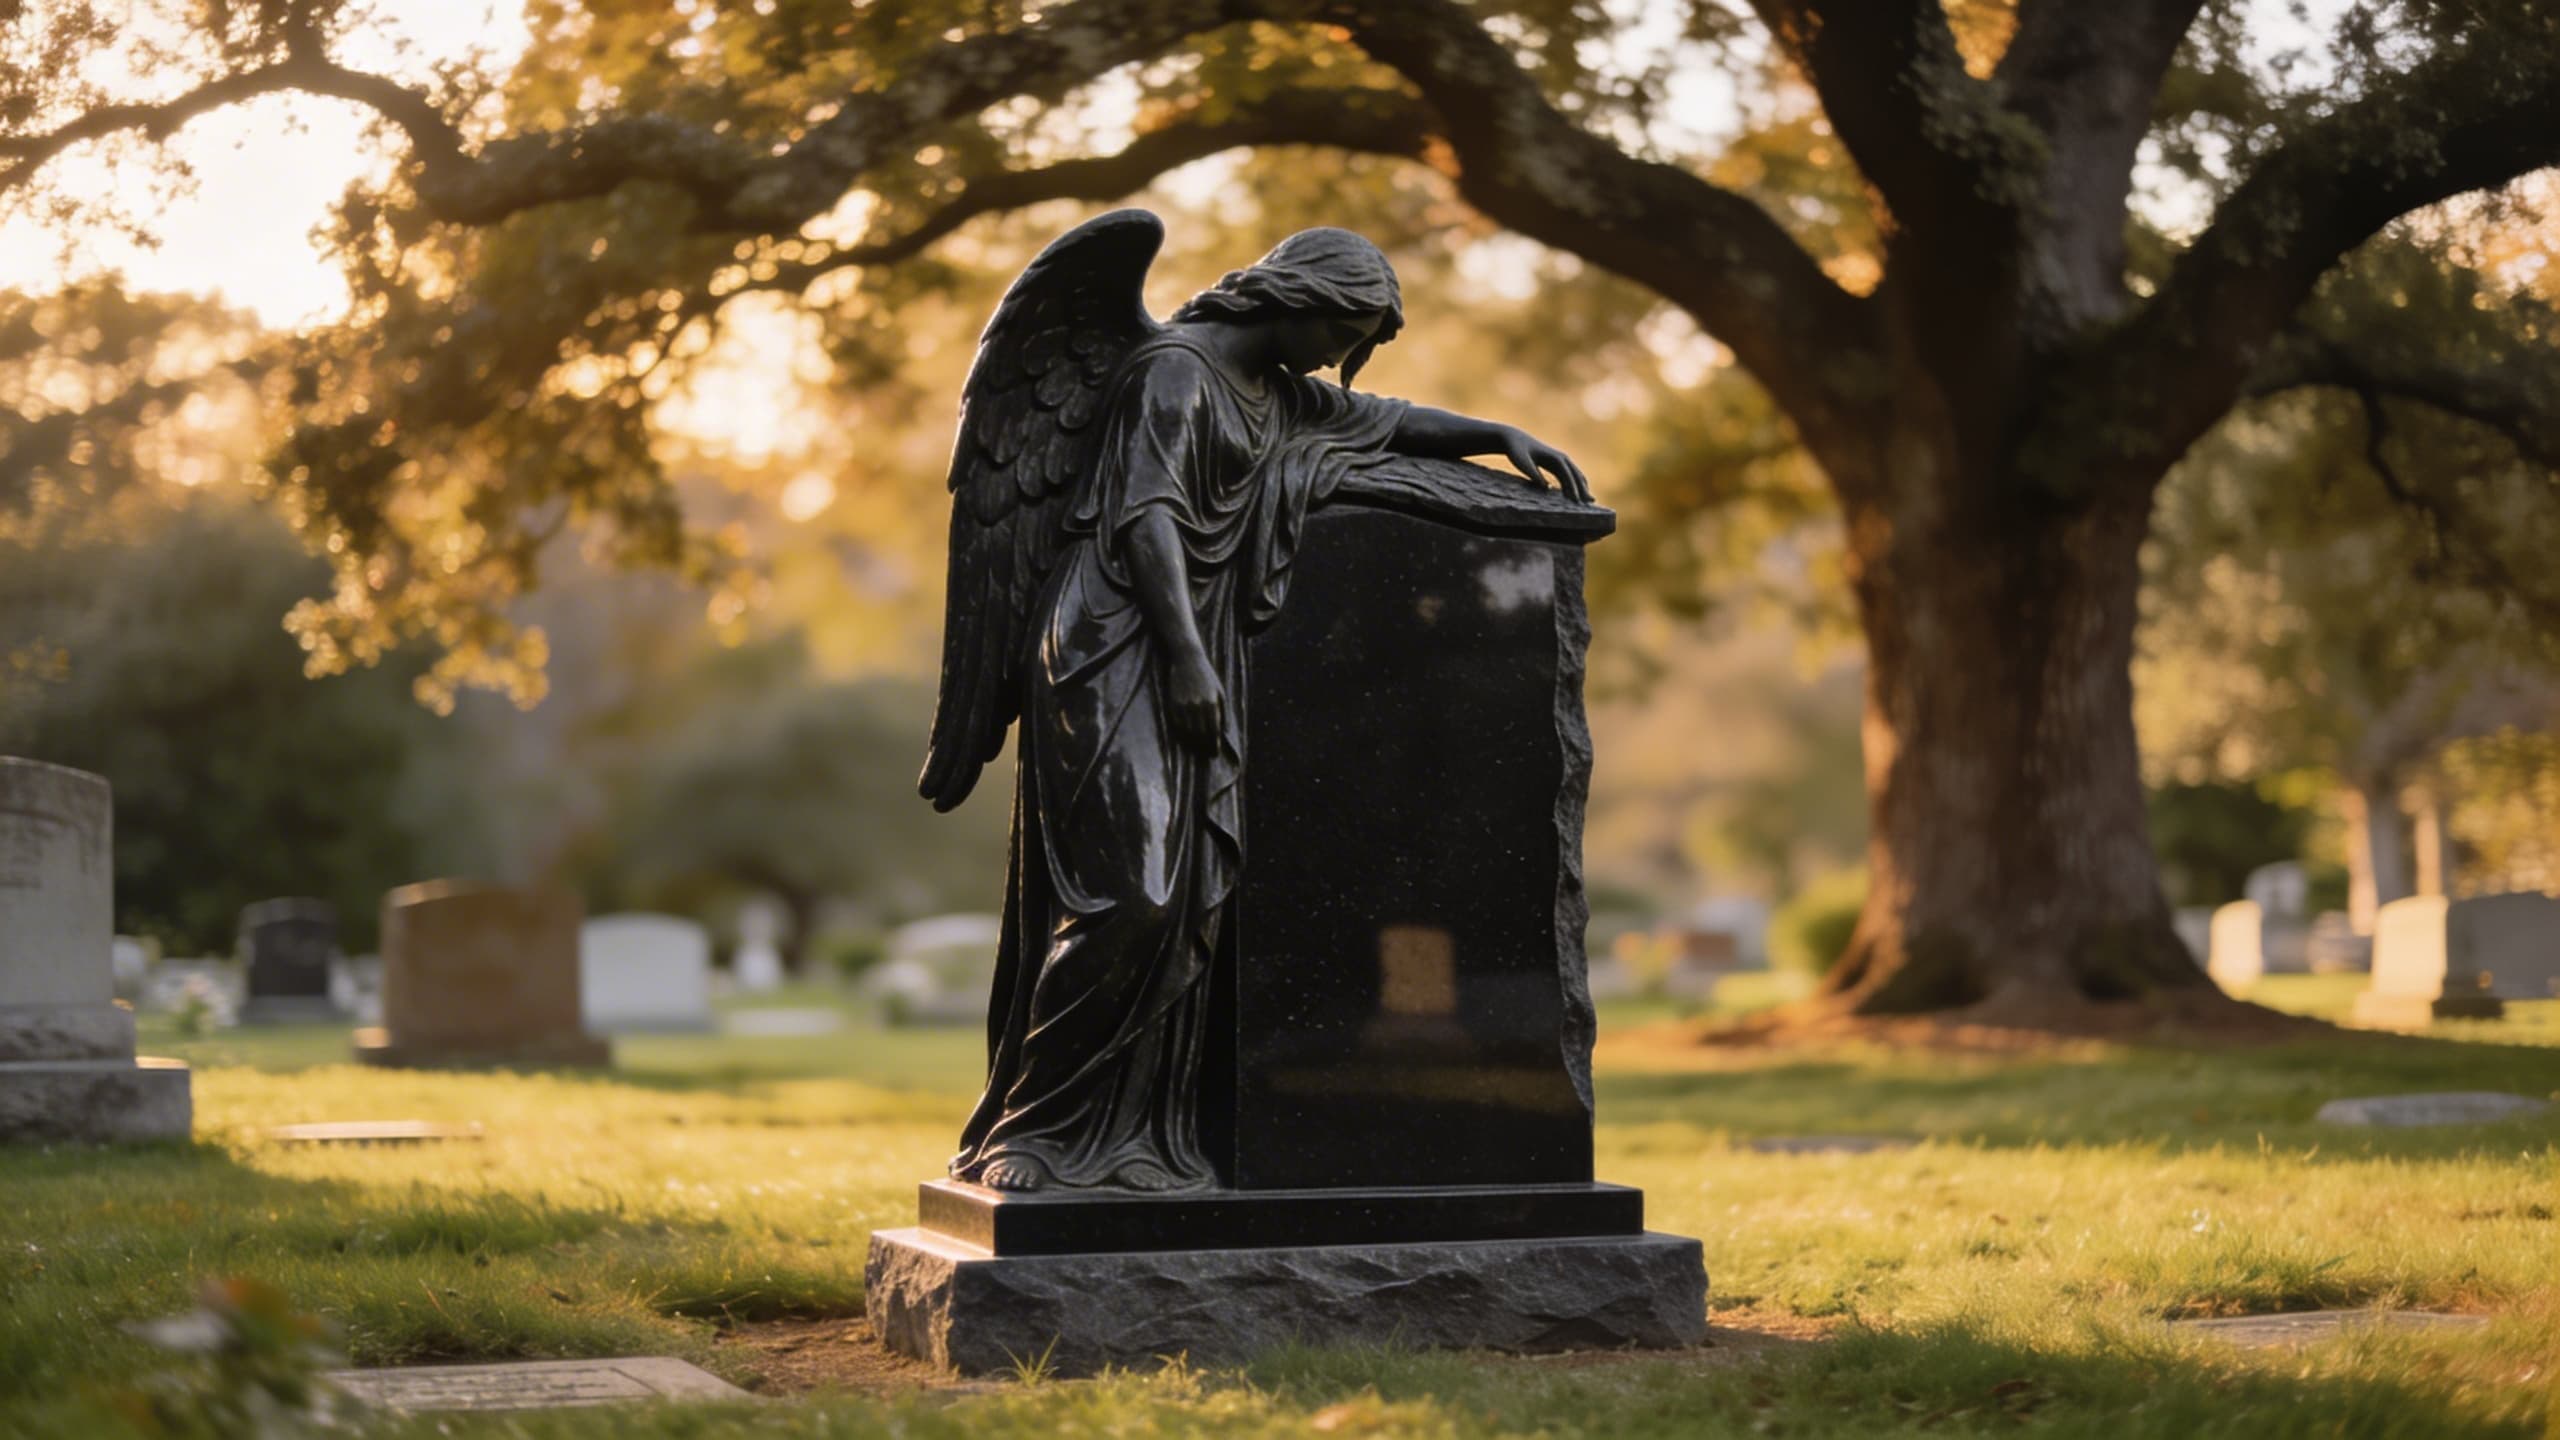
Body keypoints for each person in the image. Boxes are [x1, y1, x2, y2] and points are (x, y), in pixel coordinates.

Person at [947, 226, 1586, 1192]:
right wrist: (1190, 663)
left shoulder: (1276, 391)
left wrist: (1495, 434)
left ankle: (1124, 1139)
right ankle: (1032, 1134)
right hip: (1116, 644)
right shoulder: (1173, 371)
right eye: (1341, 329)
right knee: (1135, 895)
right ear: (1297, 299)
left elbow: (1378, 417)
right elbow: (1146, 520)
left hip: (1188, 647)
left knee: (1186, 895)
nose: (1339, 355)